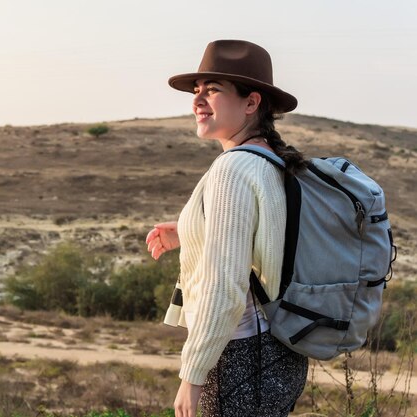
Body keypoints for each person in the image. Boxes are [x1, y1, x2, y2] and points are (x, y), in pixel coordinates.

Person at [145, 40, 309, 417]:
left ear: (251, 103)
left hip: (239, 359)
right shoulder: (270, 161)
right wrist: (191, 230)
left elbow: (225, 286)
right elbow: (264, 241)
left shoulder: (233, 170)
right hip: (279, 353)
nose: (197, 100)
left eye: (213, 90)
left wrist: (193, 376)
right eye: (196, 90)